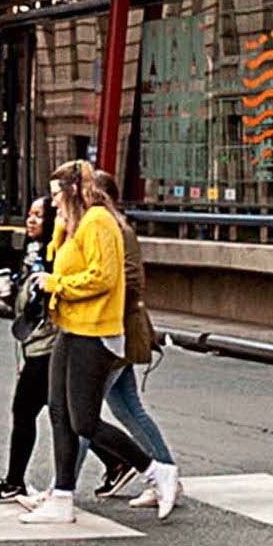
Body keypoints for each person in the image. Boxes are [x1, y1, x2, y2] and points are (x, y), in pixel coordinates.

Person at [19, 160, 158, 525]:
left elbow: (107, 278)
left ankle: (155, 470)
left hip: (99, 329)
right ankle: (62, 492)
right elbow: (58, 262)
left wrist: (57, 285)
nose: (50, 206)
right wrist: (60, 233)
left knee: (85, 418)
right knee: (68, 411)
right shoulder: (77, 226)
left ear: (75, 192)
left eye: (54, 196)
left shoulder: (99, 223)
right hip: (77, 325)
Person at [0, 197, 136, 505]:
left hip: (53, 343)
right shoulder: (34, 252)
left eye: (42, 214)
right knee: (64, 413)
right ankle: (117, 461)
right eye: (30, 214)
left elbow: (64, 293)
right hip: (38, 342)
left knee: (32, 410)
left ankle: (16, 481)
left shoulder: (60, 253)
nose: (31, 220)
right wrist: (11, 293)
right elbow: (32, 302)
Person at [91, 170, 185, 517]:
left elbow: (129, 279)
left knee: (83, 409)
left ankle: (62, 486)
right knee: (126, 407)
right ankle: (165, 474)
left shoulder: (117, 230)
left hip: (115, 328)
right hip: (117, 326)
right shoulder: (110, 228)